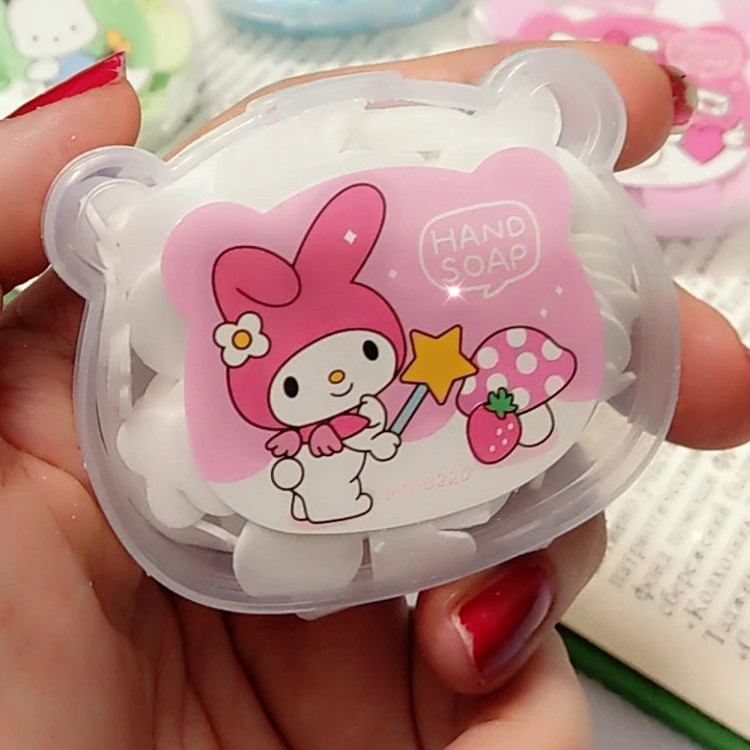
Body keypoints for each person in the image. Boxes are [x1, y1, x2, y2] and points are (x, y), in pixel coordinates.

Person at [0, 41, 747, 750]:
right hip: (282, 512)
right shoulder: (199, 388)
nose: (335, 386)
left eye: (362, 355)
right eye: (297, 384)